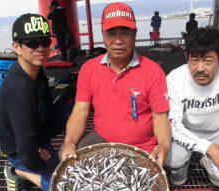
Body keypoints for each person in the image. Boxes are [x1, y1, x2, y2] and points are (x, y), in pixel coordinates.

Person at [59, 2, 171, 167]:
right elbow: (80, 111)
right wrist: (69, 142)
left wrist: (163, 146)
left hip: (143, 146)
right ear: (103, 35)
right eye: (111, 33)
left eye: (125, 33)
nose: (118, 40)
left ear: (135, 34)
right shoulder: (88, 69)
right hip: (101, 139)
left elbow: (160, 118)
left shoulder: (153, 71)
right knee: (67, 158)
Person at [0, 13, 73, 191]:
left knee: (77, 105)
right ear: (17, 47)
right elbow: (26, 148)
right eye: (32, 43)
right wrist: (38, 161)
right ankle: (17, 170)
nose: (40, 48)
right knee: (62, 189)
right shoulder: (19, 89)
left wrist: (68, 140)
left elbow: (47, 106)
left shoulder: (37, 70)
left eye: (44, 41)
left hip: (36, 130)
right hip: (19, 150)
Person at [165, 27, 219, 188]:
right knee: (173, 161)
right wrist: (209, 148)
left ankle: (211, 161)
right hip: (187, 131)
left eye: (208, 61)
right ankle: (181, 172)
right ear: (186, 57)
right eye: (194, 60)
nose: (200, 68)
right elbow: (173, 125)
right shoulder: (175, 79)